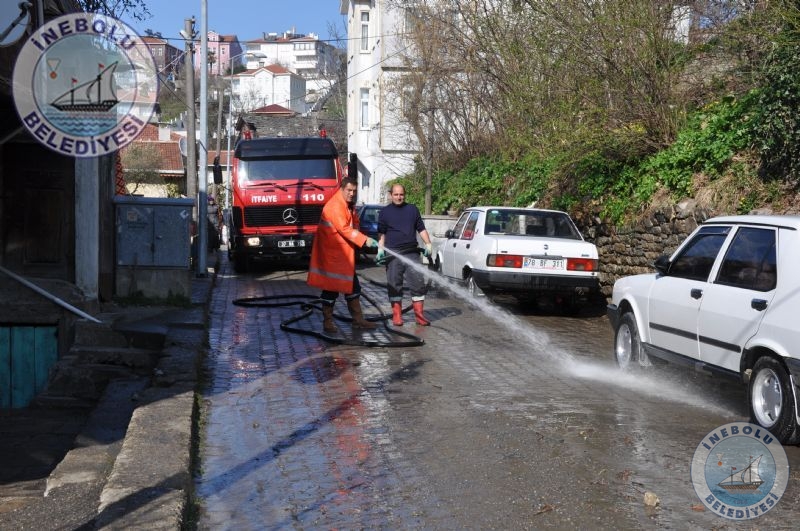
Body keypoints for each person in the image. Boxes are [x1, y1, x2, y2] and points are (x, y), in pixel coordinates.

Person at [307, 177, 379, 334]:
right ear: (341, 188)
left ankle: (358, 320)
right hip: (333, 256)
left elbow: (354, 224)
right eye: (349, 190)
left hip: (343, 256)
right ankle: (328, 322)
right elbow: (344, 228)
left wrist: (364, 239)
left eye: (354, 191)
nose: (352, 194)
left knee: (353, 288)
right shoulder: (335, 206)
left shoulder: (347, 205)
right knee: (331, 290)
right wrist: (365, 240)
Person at [376, 184, 434, 326]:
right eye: (396, 194)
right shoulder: (385, 212)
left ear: (405, 194)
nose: (399, 197)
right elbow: (381, 233)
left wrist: (428, 244)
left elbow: (421, 229)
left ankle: (419, 316)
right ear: (391, 195)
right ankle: (397, 316)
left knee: (418, 283)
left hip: (412, 253)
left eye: (401, 194)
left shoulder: (412, 210)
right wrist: (380, 249)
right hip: (393, 254)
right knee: (394, 284)